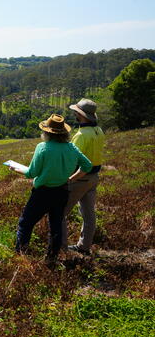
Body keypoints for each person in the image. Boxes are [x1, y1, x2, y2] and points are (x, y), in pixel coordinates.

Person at [10, 114, 92, 265]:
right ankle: (51, 258)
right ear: (64, 133)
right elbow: (87, 166)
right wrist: (71, 178)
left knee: (25, 223)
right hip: (62, 192)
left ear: (47, 132)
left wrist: (15, 168)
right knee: (55, 225)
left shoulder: (42, 147)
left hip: (42, 193)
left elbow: (31, 173)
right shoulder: (71, 147)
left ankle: (20, 256)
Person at [61, 99, 105, 255]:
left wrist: (68, 178)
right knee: (88, 214)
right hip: (94, 177)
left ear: (81, 115)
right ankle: (84, 247)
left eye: (76, 112)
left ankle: (62, 249)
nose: (74, 113)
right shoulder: (98, 131)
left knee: (60, 213)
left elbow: (72, 159)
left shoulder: (81, 135)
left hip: (80, 178)